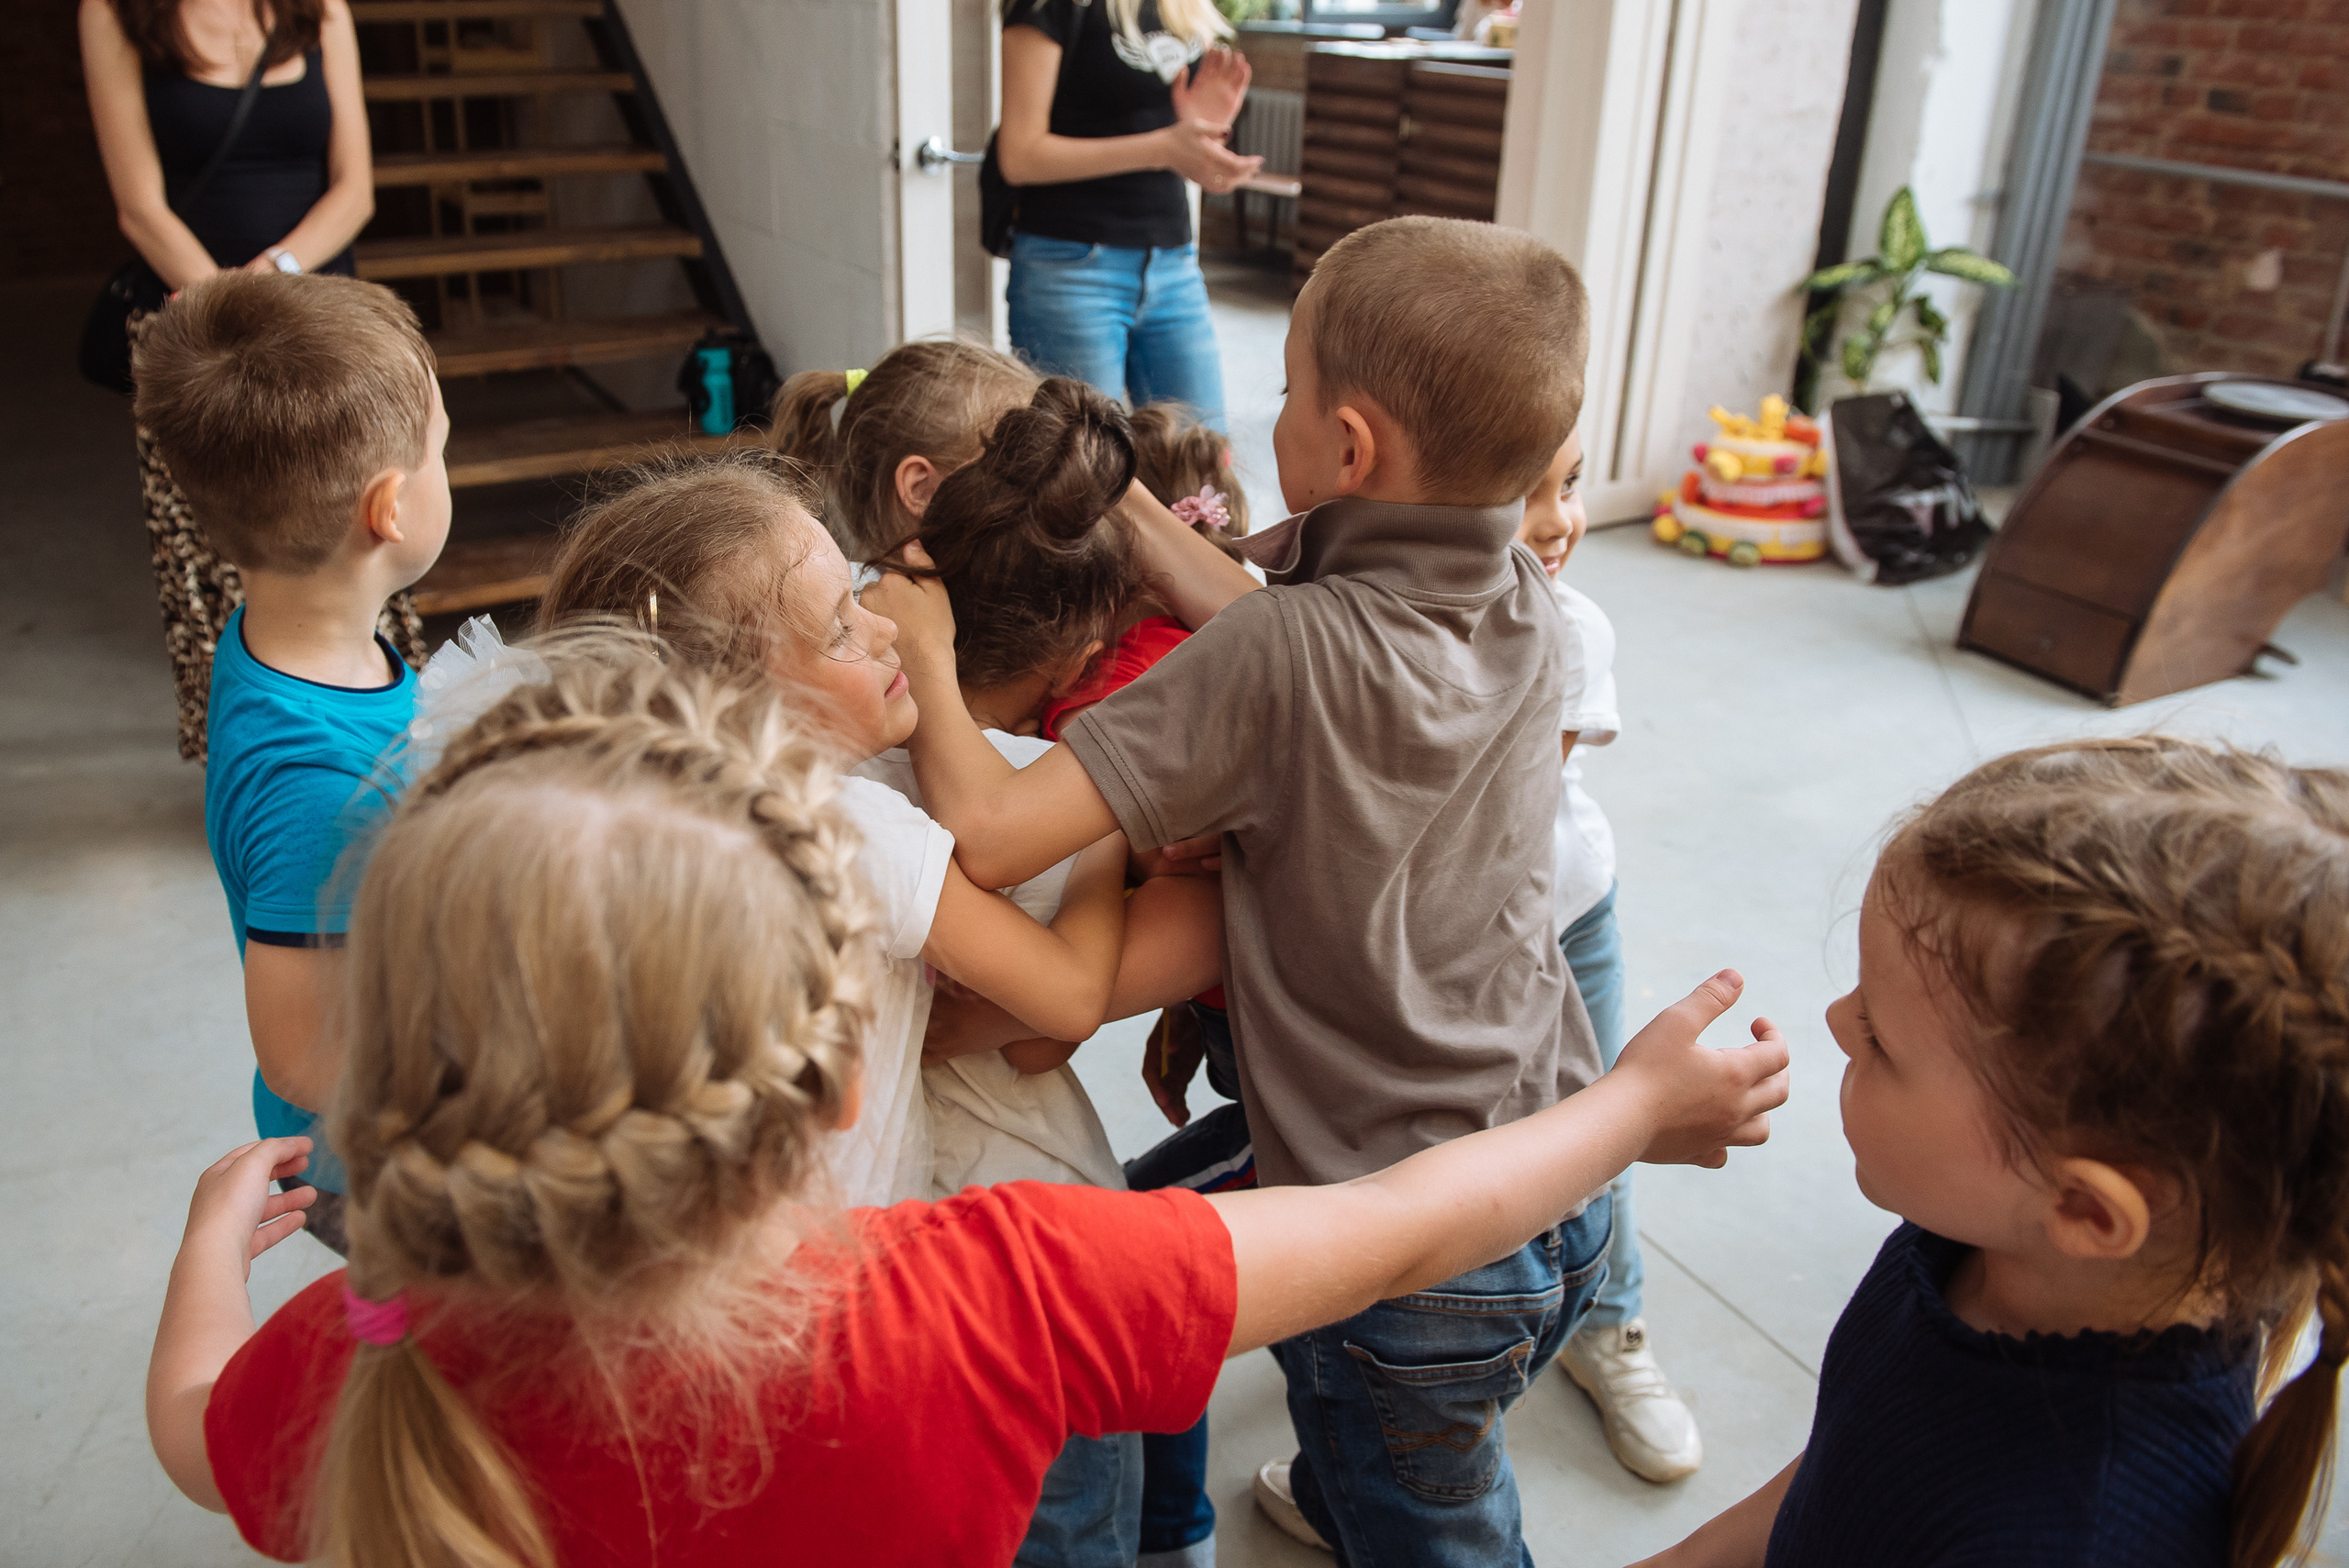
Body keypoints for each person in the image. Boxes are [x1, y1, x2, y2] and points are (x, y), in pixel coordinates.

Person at [143, 638, 1789, 1568]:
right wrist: (1632, 1100)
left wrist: (214, 1247)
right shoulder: (996, 1292)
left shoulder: (381, 1360)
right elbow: (1391, 1225)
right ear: (848, 1072)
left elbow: (200, 1429)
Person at [862, 216, 1637, 1563]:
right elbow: (1265, 609)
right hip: (1555, 1176)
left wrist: (921, 644)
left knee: (1431, 1521)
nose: (1264, 412)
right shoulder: (1519, 595)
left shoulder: (1281, 653)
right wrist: (1120, 491)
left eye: (1282, 391)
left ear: (1348, 447)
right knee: (1422, 1466)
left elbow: (987, 835)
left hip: (1401, 1245)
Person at [1636, 737, 2349, 1568]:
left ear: (2086, 1208)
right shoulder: (1975, 1237)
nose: (1835, 1020)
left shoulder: (2080, 1535)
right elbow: (1847, 1472)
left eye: (1881, 1037)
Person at [530, 450, 1130, 1213]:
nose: (886, 630)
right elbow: (1071, 997)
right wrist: (1105, 828)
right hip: (848, 1242)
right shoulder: (848, 827)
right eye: (841, 629)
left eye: (857, 597)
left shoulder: (632, 820)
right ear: (744, 710)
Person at [131, 269, 450, 1256]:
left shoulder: (292, 634)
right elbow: (308, 1056)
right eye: (445, 449)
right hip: (386, 1166)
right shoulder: (318, 785)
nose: (452, 468)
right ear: (388, 509)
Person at [80, 0, 414, 762]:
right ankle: (258, 758)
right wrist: (233, 319)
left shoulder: (319, 8)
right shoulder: (114, 12)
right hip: (196, 340)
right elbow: (140, 209)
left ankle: (373, 745)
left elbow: (354, 188)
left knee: (355, 534)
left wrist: (276, 281)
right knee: (213, 560)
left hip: (325, 330)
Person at [1515, 434, 1704, 1483]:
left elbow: (1493, 834)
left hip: (1562, 915)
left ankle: (1609, 1328)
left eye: (1571, 484)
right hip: (1429, 942)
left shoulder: (1568, 628)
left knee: (1593, 1120)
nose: (1558, 520)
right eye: (1523, 492)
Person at [767, 343, 1254, 633]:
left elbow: (1270, 632)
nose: (1047, 468)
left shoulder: (1025, 587)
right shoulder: (875, 631)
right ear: (921, 487)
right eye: (1018, 457)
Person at [996, 0, 1261, 428]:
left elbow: (1161, 134)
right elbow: (1020, 155)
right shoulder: (1047, 7)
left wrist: (1200, 137)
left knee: (1204, 464)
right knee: (1083, 475)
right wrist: (1165, 147)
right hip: (1071, 269)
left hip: (1172, 264)